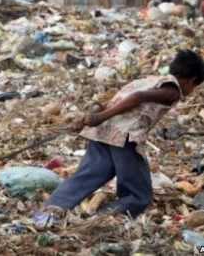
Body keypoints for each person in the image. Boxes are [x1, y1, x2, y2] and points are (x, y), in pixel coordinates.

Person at [43, 49, 204, 222]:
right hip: (125, 137)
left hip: (103, 133)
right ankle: (103, 221)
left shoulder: (147, 80)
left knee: (88, 175)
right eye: (194, 87)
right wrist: (99, 117)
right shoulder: (173, 90)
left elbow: (113, 101)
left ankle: (48, 213)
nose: (191, 91)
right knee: (139, 194)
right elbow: (138, 97)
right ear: (191, 80)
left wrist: (88, 117)